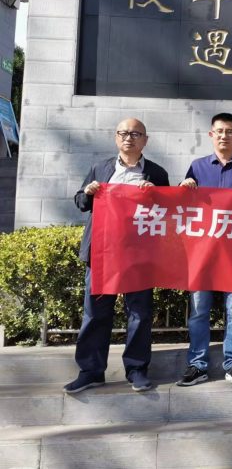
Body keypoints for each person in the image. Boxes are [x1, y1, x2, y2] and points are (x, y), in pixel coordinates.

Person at [64, 118, 170, 394]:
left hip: (139, 255)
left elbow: (167, 212)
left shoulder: (157, 173)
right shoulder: (101, 169)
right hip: (102, 254)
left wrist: (156, 195)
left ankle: (136, 369)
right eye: (123, 133)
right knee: (95, 313)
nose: (128, 138)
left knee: (139, 314)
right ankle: (91, 371)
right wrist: (88, 192)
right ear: (115, 138)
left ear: (145, 140)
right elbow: (81, 202)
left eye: (135, 134)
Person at [176, 113, 232, 386]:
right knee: (199, 311)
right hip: (202, 254)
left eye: (230, 131)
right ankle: (197, 364)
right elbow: (182, 205)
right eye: (220, 131)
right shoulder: (197, 167)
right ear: (211, 135)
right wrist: (184, 187)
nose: (224, 136)